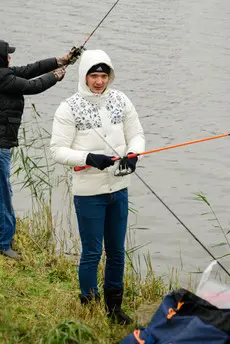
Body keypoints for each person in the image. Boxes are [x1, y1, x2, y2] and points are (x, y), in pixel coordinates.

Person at [49, 49, 145, 324]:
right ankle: (89, 308)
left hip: (119, 189)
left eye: (104, 75)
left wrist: (134, 154)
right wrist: (88, 158)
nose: (99, 81)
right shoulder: (68, 108)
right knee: (92, 252)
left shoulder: (121, 100)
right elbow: (57, 151)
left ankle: (115, 309)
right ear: (84, 76)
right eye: (94, 75)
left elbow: (137, 134)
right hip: (89, 193)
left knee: (116, 251)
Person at [0, 39, 81, 259]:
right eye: (7, 54)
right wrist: (55, 76)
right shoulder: (1, 78)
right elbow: (32, 86)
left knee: (3, 192)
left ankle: (4, 240)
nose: (10, 57)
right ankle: (0, 245)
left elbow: (29, 70)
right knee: (1, 195)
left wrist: (60, 61)